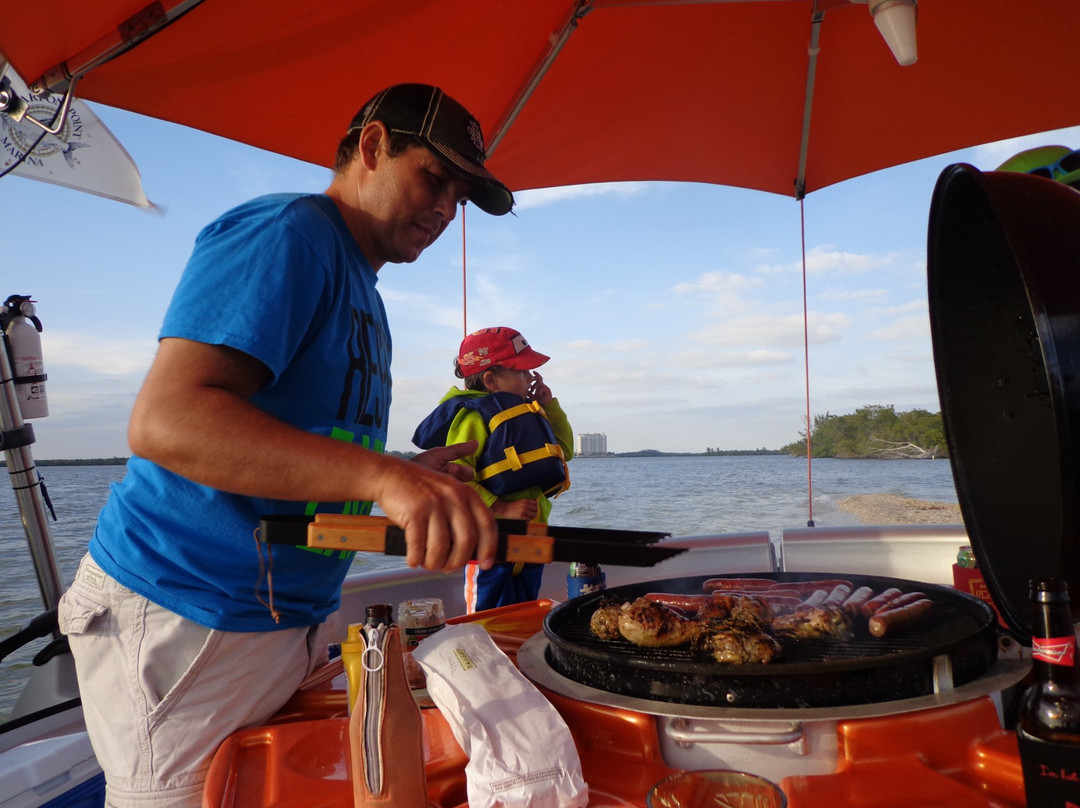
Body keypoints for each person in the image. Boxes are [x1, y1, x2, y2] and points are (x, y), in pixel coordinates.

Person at [56, 83, 513, 808]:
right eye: (435, 177)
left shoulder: (362, 283)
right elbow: (168, 419)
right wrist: (385, 480)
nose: (445, 208)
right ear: (371, 146)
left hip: (271, 621)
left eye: (460, 197)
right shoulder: (290, 233)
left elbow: (299, 443)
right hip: (187, 614)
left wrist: (398, 471)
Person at [412, 327, 573, 612]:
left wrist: (552, 407)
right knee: (485, 619)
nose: (530, 378)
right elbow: (452, 480)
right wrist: (499, 508)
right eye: (521, 371)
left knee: (524, 613)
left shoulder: (531, 412)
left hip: (532, 538)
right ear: (491, 379)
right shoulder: (473, 417)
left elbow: (565, 452)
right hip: (490, 542)